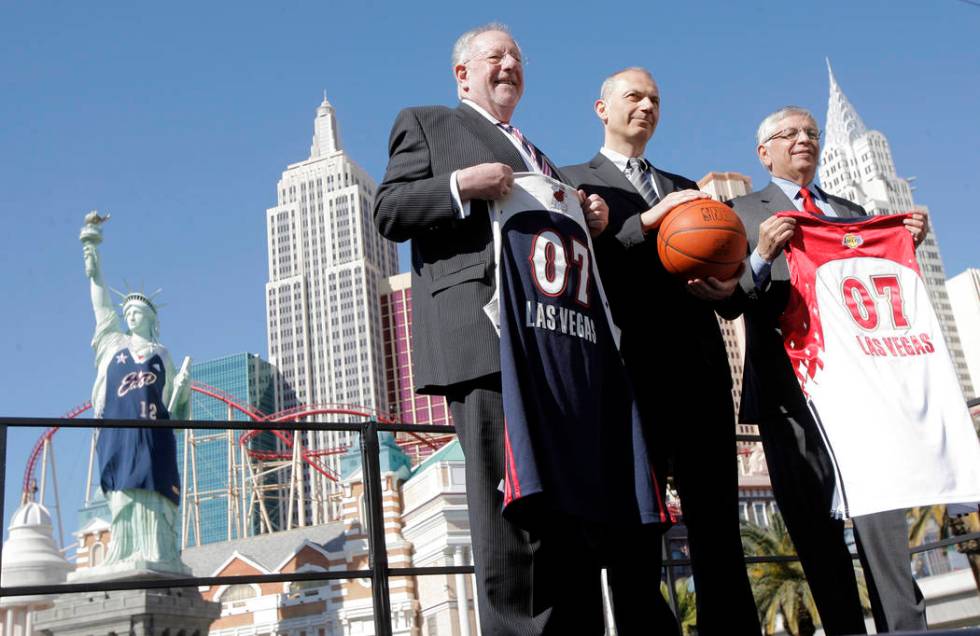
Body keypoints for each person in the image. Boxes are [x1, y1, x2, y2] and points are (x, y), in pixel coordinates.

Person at [373, 24, 611, 635]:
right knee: (510, 518)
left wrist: (587, 216)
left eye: (517, 57)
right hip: (485, 345)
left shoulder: (542, 156)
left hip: (557, 351)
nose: (509, 64)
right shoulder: (428, 124)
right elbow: (390, 211)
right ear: (463, 74)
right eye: (494, 55)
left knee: (567, 514)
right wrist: (460, 185)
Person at [563, 67, 760, 635]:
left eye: (655, 98)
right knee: (634, 533)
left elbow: (730, 281)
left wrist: (728, 290)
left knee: (719, 527)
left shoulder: (688, 188)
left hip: (699, 375)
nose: (646, 105)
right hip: (624, 379)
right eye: (634, 96)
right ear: (602, 108)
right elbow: (579, 273)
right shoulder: (575, 181)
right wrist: (642, 223)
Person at [728, 105, 929, 634]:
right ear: (763, 151)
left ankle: (906, 629)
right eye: (788, 133)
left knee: (884, 531)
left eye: (811, 133)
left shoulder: (853, 210)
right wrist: (762, 257)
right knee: (818, 541)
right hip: (788, 399)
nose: (803, 140)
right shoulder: (740, 213)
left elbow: (884, 289)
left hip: (864, 395)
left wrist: (907, 246)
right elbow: (728, 301)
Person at [81, 211, 191, 573]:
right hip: (121, 434)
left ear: (150, 318)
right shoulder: (112, 343)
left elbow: (175, 408)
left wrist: (183, 390)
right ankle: (123, 553)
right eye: (126, 310)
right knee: (123, 495)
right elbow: (99, 297)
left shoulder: (162, 355)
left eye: (136, 311)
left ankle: (160, 553)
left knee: (156, 498)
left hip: (155, 439)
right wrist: (92, 245)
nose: (130, 315)